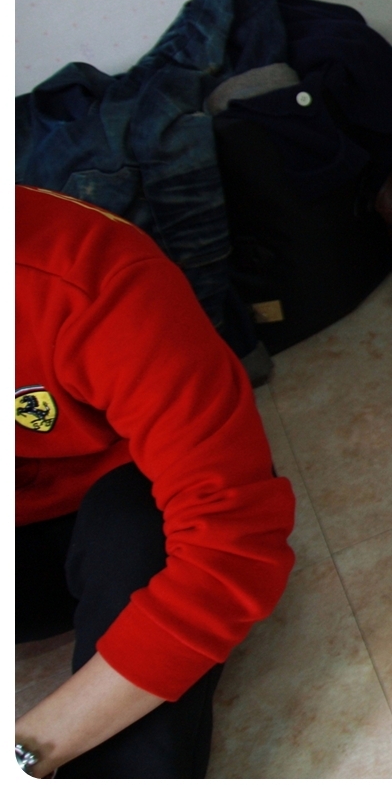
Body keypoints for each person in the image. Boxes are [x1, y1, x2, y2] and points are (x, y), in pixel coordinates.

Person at [14, 185, 297, 778]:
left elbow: (230, 545)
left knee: (138, 526)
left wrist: (25, 753)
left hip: (122, 504)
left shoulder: (95, 272)